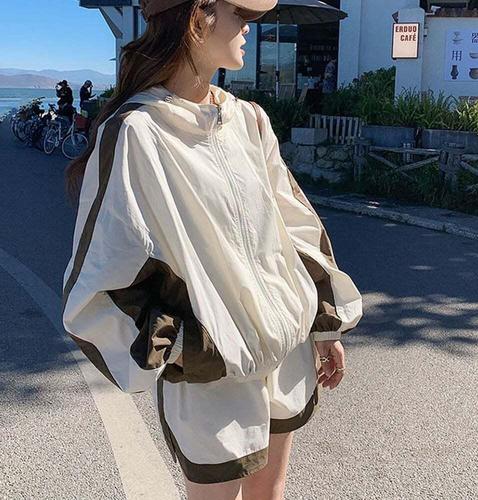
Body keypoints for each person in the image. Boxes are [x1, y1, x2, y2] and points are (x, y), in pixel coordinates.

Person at [62, 1, 363, 499]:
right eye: (238, 11)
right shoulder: (137, 132)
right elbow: (100, 280)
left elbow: (294, 226)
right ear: (197, 16)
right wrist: (187, 348)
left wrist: (324, 323)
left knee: (270, 493)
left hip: (286, 351)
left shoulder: (249, 120)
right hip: (213, 374)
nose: (249, 26)